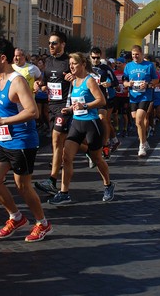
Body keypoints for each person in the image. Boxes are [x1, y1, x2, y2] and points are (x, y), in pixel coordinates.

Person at [0, 39, 52, 241]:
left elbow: (33, 112)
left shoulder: (17, 81)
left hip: (22, 141)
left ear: (3, 58)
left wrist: (2, 120)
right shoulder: (0, 80)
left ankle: (43, 223)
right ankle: (16, 217)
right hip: (4, 140)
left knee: (22, 186)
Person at [48, 53, 115, 205]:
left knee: (96, 158)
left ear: (83, 64)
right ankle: (64, 193)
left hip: (91, 124)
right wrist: (70, 109)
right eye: (70, 64)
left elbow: (101, 101)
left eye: (74, 64)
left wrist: (84, 106)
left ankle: (108, 185)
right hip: (76, 124)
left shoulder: (89, 80)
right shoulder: (74, 82)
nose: (71, 66)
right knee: (66, 157)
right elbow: (77, 103)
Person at [34, 31, 74, 196]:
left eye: (54, 43)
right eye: (50, 43)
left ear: (63, 44)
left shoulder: (69, 61)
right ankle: (91, 150)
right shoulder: (48, 61)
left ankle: (52, 180)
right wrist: (41, 85)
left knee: (56, 140)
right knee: (60, 143)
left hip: (64, 107)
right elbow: (45, 82)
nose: (51, 46)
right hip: (51, 106)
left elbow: (84, 76)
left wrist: (75, 76)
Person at [122, 45, 159, 157]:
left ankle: (141, 145)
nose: (135, 57)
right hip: (133, 96)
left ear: (142, 54)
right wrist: (128, 84)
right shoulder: (128, 66)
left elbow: (156, 79)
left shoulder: (149, 66)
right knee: (135, 118)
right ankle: (145, 141)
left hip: (145, 96)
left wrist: (147, 84)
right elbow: (125, 80)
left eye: (137, 54)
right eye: (133, 55)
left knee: (139, 120)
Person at [89, 47, 120, 159]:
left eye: (98, 58)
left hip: (102, 99)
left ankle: (105, 145)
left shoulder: (105, 68)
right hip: (88, 99)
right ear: (90, 57)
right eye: (93, 58)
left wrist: (109, 84)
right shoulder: (85, 67)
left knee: (103, 120)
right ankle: (114, 140)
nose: (96, 60)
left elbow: (115, 82)